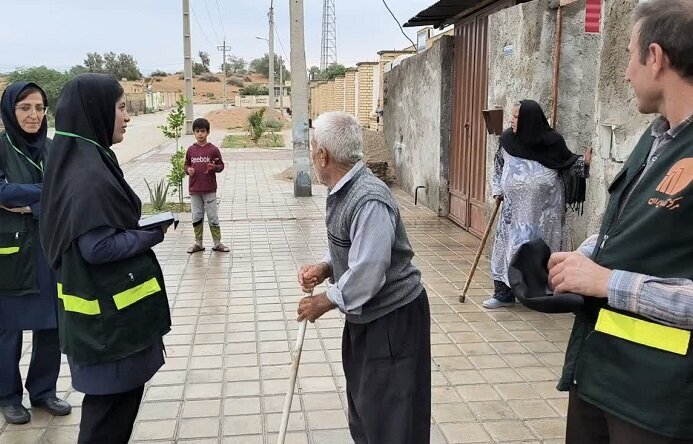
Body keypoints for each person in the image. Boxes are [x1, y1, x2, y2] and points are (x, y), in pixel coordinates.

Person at [547, 0, 693, 441]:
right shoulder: (655, 140)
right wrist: (578, 260)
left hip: (656, 401)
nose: (626, 73)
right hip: (599, 376)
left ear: (656, 57)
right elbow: (630, 229)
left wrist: (607, 282)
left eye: (630, 57)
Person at [39, 73, 172, 444]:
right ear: (96, 111)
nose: (127, 116)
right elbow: (96, 248)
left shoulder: (88, 159)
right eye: (120, 108)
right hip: (107, 327)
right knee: (105, 423)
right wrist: (149, 235)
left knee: (113, 418)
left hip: (107, 323)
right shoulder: (87, 175)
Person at [296, 111, 431, 444]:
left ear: (323, 155)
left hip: (392, 321)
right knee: (368, 408)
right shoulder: (346, 189)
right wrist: (327, 267)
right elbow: (355, 247)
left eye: (314, 147)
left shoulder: (369, 197)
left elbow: (369, 270)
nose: (313, 154)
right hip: (369, 318)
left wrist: (324, 301)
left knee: (391, 417)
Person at [0, 82, 71, 424]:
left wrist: (31, 204)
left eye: (40, 107)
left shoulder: (54, 148)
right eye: (25, 107)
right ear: (10, 110)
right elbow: (3, 192)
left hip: (48, 249)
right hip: (10, 254)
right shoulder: (0, 147)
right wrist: (45, 195)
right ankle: (8, 395)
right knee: (7, 328)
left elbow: (68, 190)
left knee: (51, 324)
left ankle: (43, 391)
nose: (33, 115)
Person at [484, 99, 592, 309]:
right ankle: (504, 294)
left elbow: (567, 164)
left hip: (545, 214)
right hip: (513, 213)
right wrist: (498, 189)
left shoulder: (552, 142)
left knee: (540, 252)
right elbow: (498, 166)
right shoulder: (507, 140)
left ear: (529, 120)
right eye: (512, 116)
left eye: (516, 117)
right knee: (507, 249)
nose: (511, 120)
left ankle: (541, 294)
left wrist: (584, 163)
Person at [184, 117, 229, 253]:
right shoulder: (191, 150)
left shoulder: (213, 150)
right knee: (196, 216)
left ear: (208, 132)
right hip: (194, 190)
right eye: (197, 131)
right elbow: (186, 164)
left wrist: (214, 167)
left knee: (212, 216)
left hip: (209, 189)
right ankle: (198, 243)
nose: (200, 134)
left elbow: (221, 166)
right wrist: (188, 170)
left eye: (203, 131)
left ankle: (217, 243)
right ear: (194, 133)